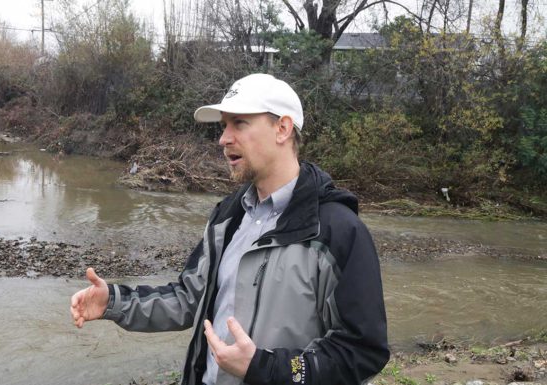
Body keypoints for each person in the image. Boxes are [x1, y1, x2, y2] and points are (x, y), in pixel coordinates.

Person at [70, 73, 389, 385]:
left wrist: (265, 367)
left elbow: (362, 351)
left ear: (282, 128)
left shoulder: (338, 231)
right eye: (224, 126)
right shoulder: (229, 216)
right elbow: (186, 298)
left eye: (240, 123)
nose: (223, 138)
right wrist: (114, 300)